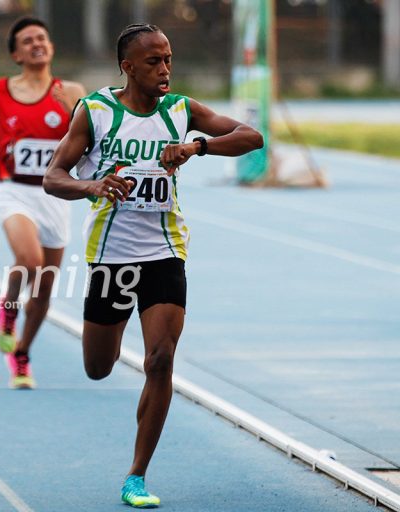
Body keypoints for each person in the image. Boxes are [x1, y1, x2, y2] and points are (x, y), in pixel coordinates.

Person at [43, 24, 263, 508]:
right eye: (153, 62)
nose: (164, 69)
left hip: (164, 253)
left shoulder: (181, 111)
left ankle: (137, 475)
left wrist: (196, 146)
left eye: (168, 59)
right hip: (111, 258)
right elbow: (53, 177)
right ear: (127, 66)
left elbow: (252, 136)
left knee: (160, 359)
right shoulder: (96, 112)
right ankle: (112, 363)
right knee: (98, 367)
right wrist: (93, 186)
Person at [0, 17, 86, 390]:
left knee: (45, 288)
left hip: (55, 194)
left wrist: (73, 112)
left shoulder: (73, 91)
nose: (36, 44)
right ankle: (8, 309)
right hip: (14, 190)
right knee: (30, 262)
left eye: (41, 38)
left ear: (51, 47)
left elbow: (94, 140)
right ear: (16, 53)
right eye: (27, 41)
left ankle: (22, 354)